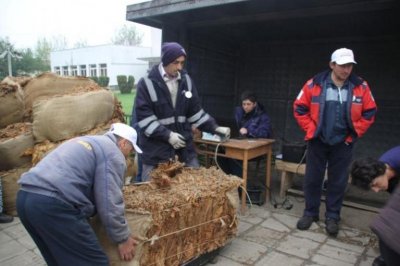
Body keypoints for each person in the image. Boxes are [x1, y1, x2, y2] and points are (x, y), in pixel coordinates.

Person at [16, 123, 142, 266]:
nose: (128, 156)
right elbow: (109, 201)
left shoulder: (88, 141)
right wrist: (122, 238)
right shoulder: (113, 153)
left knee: (59, 260)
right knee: (94, 261)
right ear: (124, 143)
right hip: (53, 204)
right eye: (131, 151)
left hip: (25, 198)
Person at [293, 48, 377, 236]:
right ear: (332, 65)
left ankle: (332, 217)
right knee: (313, 179)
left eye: (350, 66)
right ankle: (310, 213)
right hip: (318, 141)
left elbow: (370, 112)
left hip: (343, 143)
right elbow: (299, 108)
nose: (346, 70)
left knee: (337, 182)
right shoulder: (314, 84)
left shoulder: (361, 86)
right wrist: (311, 130)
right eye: (342, 65)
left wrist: (354, 134)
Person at [134, 42, 230, 181]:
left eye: (182, 63)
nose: (179, 67)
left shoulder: (186, 81)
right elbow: (145, 120)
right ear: (166, 61)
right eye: (175, 62)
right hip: (156, 153)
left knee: (194, 188)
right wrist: (168, 136)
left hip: (184, 151)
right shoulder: (147, 83)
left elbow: (195, 113)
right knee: (153, 194)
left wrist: (215, 128)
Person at [350, 146, 400, 266]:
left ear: (379, 171)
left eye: (375, 184)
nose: (376, 191)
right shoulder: (385, 172)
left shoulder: (396, 158)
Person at [218, 91, 272, 176]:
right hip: (237, 144)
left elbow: (264, 133)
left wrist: (249, 131)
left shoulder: (263, 117)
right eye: (244, 104)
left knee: (234, 156)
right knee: (220, 153)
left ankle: (238, 185)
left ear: (255, 104)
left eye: (248, 104)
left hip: (254, 149)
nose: (245, 107)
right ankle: (228, 179)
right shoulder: (239, 113)